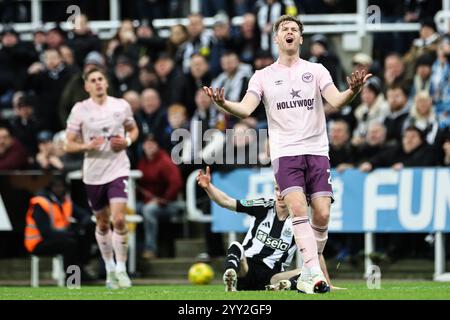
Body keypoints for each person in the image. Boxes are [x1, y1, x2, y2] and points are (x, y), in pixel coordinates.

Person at [203, 14, 371, 294]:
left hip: (317, 150)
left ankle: (309, 272)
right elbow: (245, 109)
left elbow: (336, 100)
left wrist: (353, 90)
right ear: (276, 38)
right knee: (296, 208)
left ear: (300, 38)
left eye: (294, 29)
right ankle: (314, 275)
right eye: (284, 29)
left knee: (323, 214)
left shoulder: (316, 71)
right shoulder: (263, 76)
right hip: (286, 153)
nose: (289, 32)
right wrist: (223, 104)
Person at [196, 166, 341, 292]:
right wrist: (208, 186)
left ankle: (285, 285)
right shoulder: (263, 206)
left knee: (310, 270)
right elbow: (227, 202)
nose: (279, 194)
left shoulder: (301, 223)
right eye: (277, 189)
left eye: (283, 191)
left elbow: (316, 253)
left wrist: (326, 281)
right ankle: (231, 275)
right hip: (245, 269)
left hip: (273, 277)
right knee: (236, 246)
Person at [64, 67, 139, 289]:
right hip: (94, 172)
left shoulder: (121, 105)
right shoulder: (80, 110)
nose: (97, 83)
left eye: (100, 79)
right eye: (93, 80)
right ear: (86, 86)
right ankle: (109, 269)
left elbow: (133, 130)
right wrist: (87, 145)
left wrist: (127, 142)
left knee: (119, 219)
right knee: (103, 223)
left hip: (118, 168)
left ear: (106, 83)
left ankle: (122, 269)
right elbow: (67, 143)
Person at [24, 175, 94, 281]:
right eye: (56, 186)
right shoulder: (40, 203)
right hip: (37, 243)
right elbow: (45, 232)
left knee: (83, 236)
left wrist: (80, 228)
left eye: (61, 187)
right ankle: (72, 279)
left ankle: (82, 268)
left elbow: (84, 215)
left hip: (60, 237)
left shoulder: (65, 202)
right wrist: (72, 233)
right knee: (70, 243)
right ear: (51, 188)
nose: (59, 189)